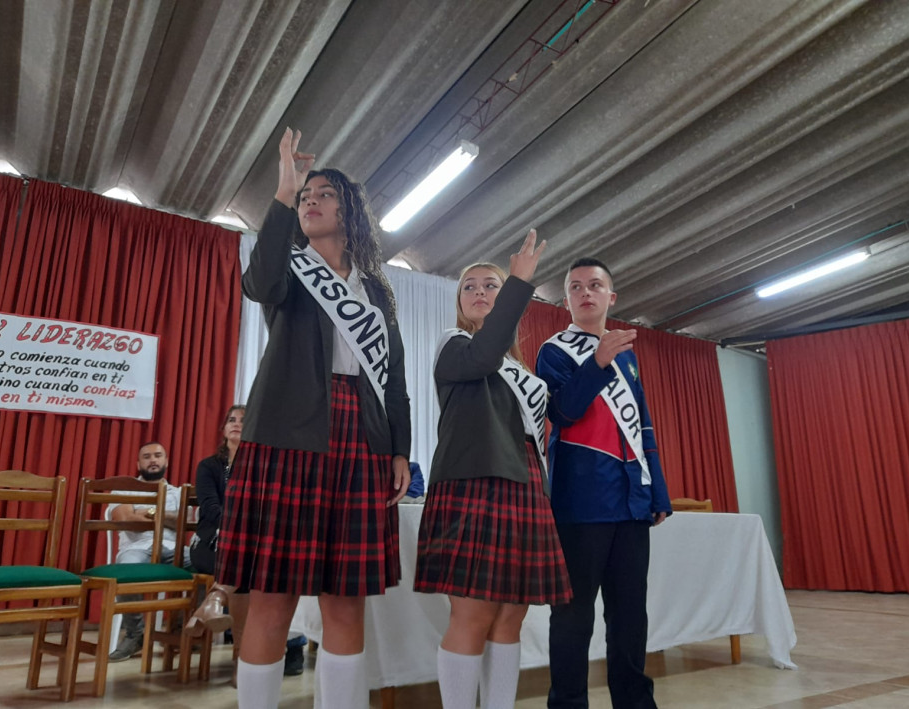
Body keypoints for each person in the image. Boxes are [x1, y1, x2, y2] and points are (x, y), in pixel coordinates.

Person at [215, 128, 411, 709]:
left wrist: (400, 448)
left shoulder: (376, 290)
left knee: (346, 599)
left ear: (350, 211)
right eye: (306, 197)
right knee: (272, 595)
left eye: (324, 194)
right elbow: (258, 283)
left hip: (362, 437)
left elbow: (394, 376)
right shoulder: (289, 266)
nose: (311, 201)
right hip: (287, 432)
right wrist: (283, 189)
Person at [415, 231, 573, 709]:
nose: (479, 292)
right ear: (460, 303)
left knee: (510, 617)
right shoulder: (455, 345)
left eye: (491, 286)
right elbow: (485, 356)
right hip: (475, 481)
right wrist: (519, 283)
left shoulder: (522, 371)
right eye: (470, 287)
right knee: (473, 615)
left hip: (526, 483)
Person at [537, 257, 672, 709]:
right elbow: (562, 412)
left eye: (594, 285)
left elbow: (643, 426)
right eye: (575, 287)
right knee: (573, 617)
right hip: (581, 503)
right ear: (566, 301)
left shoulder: (626, 355)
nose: (585, 293)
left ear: (611, 297)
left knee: (630, 617)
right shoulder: (554, 351)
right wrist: (597, 362)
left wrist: (657, 492)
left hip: (631, 503)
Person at [186, 405, 306, 680]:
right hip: (210, 543)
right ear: (223, 429)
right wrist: (242, 529)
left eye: (243, 420)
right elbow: (210, 508)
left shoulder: (264, 467)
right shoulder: (209, 466)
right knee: (242, 567)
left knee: (257, 565)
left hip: (249, 545)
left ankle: (214, 602)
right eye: (231, 419)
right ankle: (242, 658)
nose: (236, 424)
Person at [107, 442, 189, 662]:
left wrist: (149, 512)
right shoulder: (123, 489)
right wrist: (166, 517)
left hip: (172, 549)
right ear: (138, 464)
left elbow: (186, 522)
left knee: (206, 562)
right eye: (147, 457)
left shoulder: (178, 493)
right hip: (136, 549)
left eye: (158, 455)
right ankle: (136, 634)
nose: (153, 460)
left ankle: (182, 629)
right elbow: (126, 520)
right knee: (125, 570)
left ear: (166, 461)